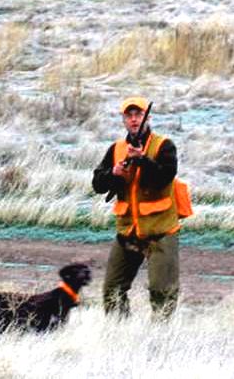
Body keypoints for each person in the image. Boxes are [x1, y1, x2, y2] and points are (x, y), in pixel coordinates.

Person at [92, 96, 180, 319]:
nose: (134, 119)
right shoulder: (117, 149)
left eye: (138, 114)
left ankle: (161, 338)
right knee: (112, 290)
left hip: (160, 232)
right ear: (123, 119)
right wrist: (113, 174)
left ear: (147, 117)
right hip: (128, 232)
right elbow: (98, 184)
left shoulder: (164, 146)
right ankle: (120, 335)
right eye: (129, 115)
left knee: (162, 291)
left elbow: (164, 177)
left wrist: (141, 160)